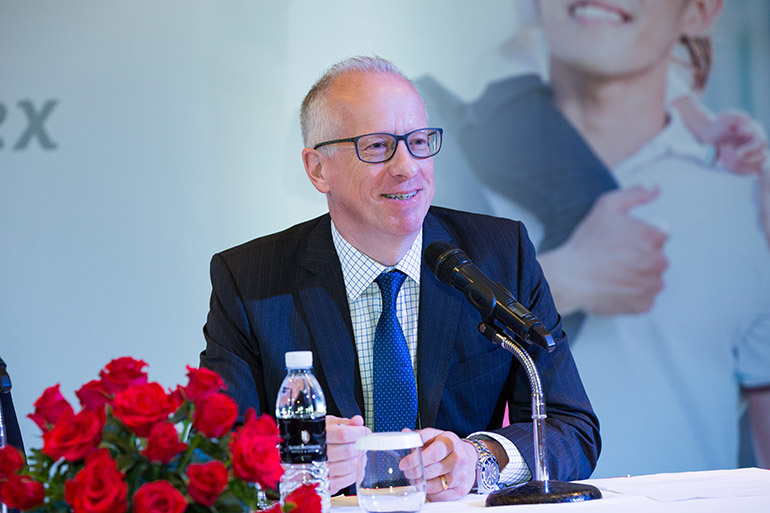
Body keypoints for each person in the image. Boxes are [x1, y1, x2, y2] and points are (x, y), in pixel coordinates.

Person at [199, 56, 600, 500]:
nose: (407, 167)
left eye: (419, 141)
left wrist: (479, 460)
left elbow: (571, 427)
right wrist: (294, 458)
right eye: (376, 147)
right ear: (318, 169)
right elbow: (212, 450)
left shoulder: (499, 255)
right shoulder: (251, 280)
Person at [421, 0, 770, 476]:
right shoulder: (439, 175)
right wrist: (566, 278)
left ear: (701, 11)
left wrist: (695, 119)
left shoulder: (745, 196)